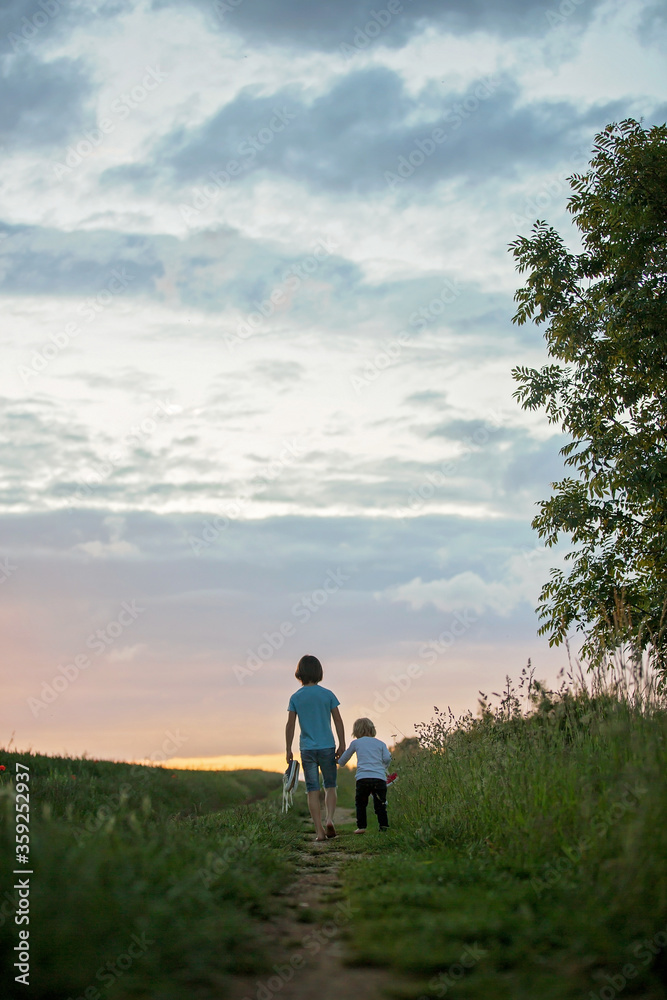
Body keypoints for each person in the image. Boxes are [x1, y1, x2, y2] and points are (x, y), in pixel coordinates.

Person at [286, 654, 346, 842]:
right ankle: (329, 819)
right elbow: (338, 720)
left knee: (312, 789)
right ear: (319, 672)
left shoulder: (296, 697)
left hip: (307, 749)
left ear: (300, 674)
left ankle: (319, 831)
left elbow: (290, 725)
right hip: (327, 746)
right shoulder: (327, 694)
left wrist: (288, 749)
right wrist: (342, 743)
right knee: (330, 786)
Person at [337, 718, 390, 833]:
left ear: (356, 731)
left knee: (361, 803)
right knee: (380, 803)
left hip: (363, 778)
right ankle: (384, 826)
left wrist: (338, 761)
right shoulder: (381, 744)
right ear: (372, 729)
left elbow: (343, 760)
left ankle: (361, 827)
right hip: (379, 778)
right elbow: (387, 758)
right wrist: (383, 767)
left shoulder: (356, 743)